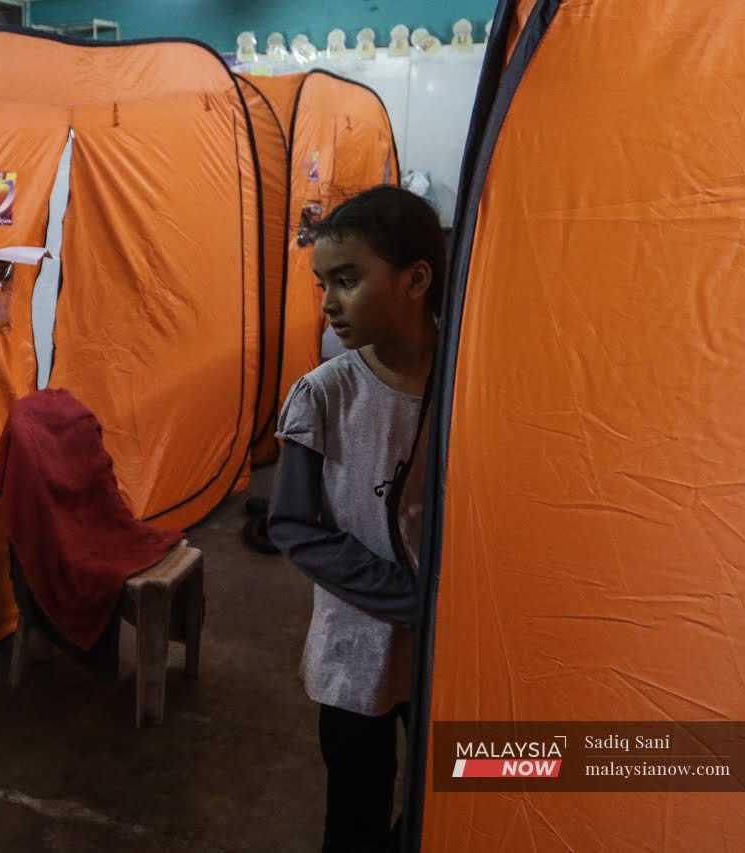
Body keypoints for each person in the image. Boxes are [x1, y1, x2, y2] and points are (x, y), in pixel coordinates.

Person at [267, 185, 444, 852]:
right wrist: (412, 598)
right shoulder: (324, 394)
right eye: (323, 284)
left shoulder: (466, 382)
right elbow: (292, 525)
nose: (328, 302)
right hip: (357, 649)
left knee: (452, 787)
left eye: (347, 280)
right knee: (356, 809)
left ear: (415, 279)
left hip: (445, 648)